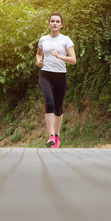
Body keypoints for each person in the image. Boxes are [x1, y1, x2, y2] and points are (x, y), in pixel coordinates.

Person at [36, 12, 76, 148]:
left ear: (61, 25)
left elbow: (73, 60)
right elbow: (38, 53)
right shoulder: (43, 39)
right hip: (45, 75)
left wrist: (59, 56)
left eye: (57, 21)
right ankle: (51, 136)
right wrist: (38, 61)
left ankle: (57, 135)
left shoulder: (66, 40)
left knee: (58, 108)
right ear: (48, 24)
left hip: (60, 76)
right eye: (52, 21)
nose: (54, 23)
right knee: (50, 102)